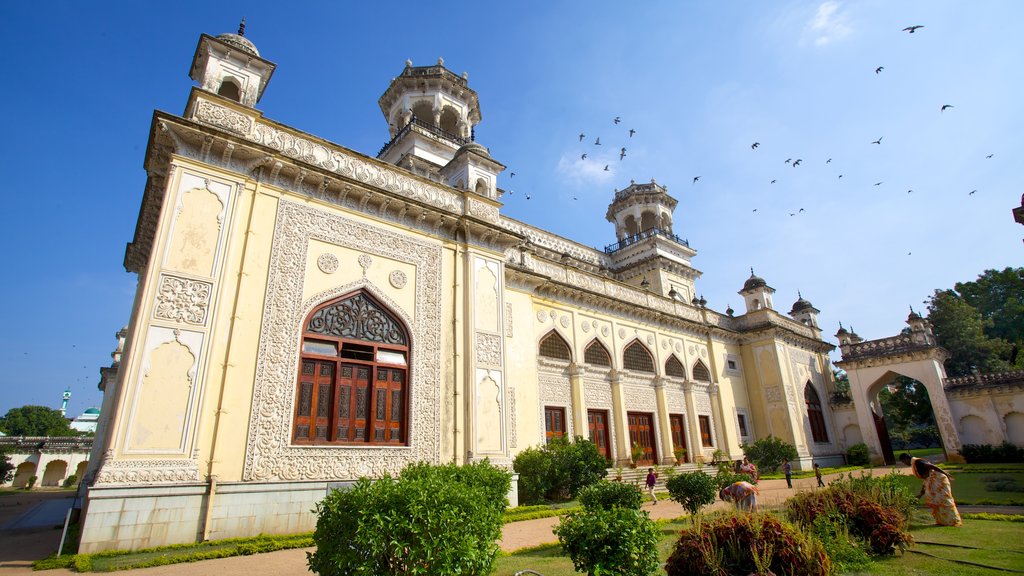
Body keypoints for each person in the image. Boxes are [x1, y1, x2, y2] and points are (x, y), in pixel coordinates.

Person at [899, 452, 962, 526]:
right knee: (936, 501)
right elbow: (926, 480)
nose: (904, 463)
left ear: (906, 459)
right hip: (933, 480)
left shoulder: (918, 462)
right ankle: (942, 521)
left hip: (938, 480)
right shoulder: (915, 463)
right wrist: (921, 493)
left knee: (943, 500)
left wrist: (945, 473)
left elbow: (932, 466)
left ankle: (952, 520)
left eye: (903, 462)